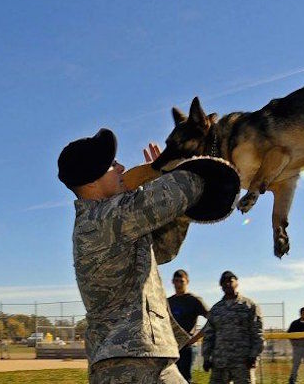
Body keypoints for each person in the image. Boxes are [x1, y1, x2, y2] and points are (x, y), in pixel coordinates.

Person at [58, 129, 238, 384]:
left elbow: (163, 250)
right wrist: (184, 166)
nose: (121, 167)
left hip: (142, 359)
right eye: (111, 164)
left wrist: (171, 191)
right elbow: (181, 189)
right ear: (91, 182)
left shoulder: (116, 221)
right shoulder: (103, 219)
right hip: (128, 364)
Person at [202, 271, 264, 384]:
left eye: (230, 281)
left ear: (237, 283)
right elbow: (209, 335)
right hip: (220, 362)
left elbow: (257, 333)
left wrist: (254, 355)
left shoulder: (249, 306)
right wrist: (206, 357)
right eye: (224, 282)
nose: (227, 284)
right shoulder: (216, 309)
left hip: (243, 362)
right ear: (221, 286)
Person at [167, 269, 209, 383]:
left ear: (187, 281)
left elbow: (212, 320)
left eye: (181, 281)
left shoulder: (194, 300)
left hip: (186, 347)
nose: (179, 284)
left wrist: (194, 338)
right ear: (172, 282)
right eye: (176, 281)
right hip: (170, 347)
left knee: (184, 379)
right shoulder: (168, 302)